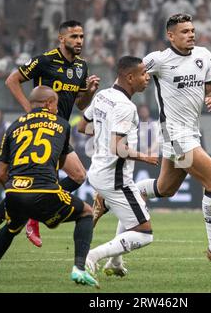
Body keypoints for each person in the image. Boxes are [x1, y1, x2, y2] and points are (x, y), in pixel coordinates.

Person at [95, 14, 211, 267]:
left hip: (190, 132)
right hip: (175, 135)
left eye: (193, 30)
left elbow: (210, 84)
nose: (191, 34)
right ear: (170, 36)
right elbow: (127, 77)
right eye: (184, 31)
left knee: (165, 189)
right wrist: (109, 102)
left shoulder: (204, 55)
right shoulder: (158, 60)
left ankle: (113, 198)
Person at [0, 20, 100, 256]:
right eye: (74, 37)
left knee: (75, 177)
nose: (79, 41)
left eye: (81, 36)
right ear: (61, 39)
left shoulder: (81, 67)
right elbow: (11, 80)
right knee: (70, 177)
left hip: (57, 132)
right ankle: (23, 221)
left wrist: (89, 93)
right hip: (40, 131)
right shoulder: (45, 60)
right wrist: (30, 111)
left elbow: (80, 104)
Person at [0, 86, 98, 288]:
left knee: (12, 226)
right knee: (86, 213)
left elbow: (1, 174)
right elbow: (60, 161)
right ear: (48, 103)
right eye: (56, 104)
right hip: (45, 190)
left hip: (14, 190)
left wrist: (16, 190)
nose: (57, 109)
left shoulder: (12, 126)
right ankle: (79, 269)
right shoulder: (61, 124)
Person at [78, 56, 157, 277]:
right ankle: (92, 256)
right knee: (144, 233)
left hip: (98, 171)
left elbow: (83, 127)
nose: (147, 77)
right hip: (115, 178)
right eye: (143, 74)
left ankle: (115, 261)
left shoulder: (103, 95)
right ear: (130, 77)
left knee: (131, 214)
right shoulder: (125, 106)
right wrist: (146, 157)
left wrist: (103, 133)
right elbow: (118, 148)